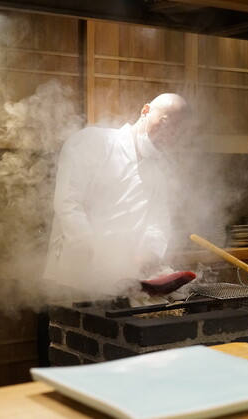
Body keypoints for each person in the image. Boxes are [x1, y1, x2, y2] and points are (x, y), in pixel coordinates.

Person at [43, 93, 189, 297]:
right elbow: (68, 204)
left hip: (122, 281)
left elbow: (158, 224)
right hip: (73, 278)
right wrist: (96, 253)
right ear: (146, 110)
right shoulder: (92, 142)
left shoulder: (158, 174)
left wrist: (146, 257)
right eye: (165, 123)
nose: (169, 134)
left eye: (177, 131)